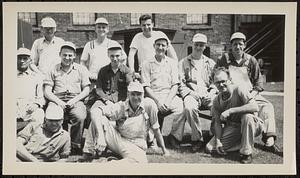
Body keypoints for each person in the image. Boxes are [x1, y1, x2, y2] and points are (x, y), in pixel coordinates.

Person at [216, 32, 280, 153]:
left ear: (244, 45)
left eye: (240, 44)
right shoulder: (224, 59)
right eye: (235, 44)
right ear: (231, 45)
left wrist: (253, 94)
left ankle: (269, 140)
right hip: (232, 95)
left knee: (267, 106)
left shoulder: (251, 60)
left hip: (250, 94)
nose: (238, 47)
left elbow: (258, 82)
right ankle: (225, 136)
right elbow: (217, 76)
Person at [82, 81, 169, 163]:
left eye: (139, 94)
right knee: (99, 118)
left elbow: (156, 128)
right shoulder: (121, 106)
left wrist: (164, 150)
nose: (136, 97)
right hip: (120, 140)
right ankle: (88, 154)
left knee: (141, 161)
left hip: (137, 145)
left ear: (143, 95)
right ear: (128, 94)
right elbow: (95, 111)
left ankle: (107, 162)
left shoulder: (149, 105)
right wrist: (101, 136)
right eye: (133, 94)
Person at [206, 67, 264, 164]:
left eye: (223, 81)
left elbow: (254, 106)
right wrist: (218, 140)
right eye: (217, 82)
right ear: (214, 84)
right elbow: (217, 123)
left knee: (247, 117)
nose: (221, 84)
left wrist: (231, 110)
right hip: (234, 127)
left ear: (230, 80)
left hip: (252, 124)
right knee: (211, 149)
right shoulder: (216, 100)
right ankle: (243, 143)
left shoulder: (239, 89)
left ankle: (247, 153)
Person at [44, 41, 90, 154]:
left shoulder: (81, 69)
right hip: (56, 99)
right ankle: (59, 144)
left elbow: (87, 89)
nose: (67, 57)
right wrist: (58, 102)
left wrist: (75, 100)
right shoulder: (52, 69)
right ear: (60, 54)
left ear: (74, 55)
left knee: (80, 116)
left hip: (76, 99)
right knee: (53, 116)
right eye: (64, 55)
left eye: (70, 55)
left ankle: (74, 145)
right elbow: (47, 91)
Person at [141, 34, 185, 149]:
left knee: (181, 108)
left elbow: (175, 84)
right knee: (150, 107)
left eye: (163, 45)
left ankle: (174, 137)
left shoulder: (172, 63)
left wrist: (168, 101)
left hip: (169, 95)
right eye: (158, 45)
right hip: (153, 96)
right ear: (154, 46)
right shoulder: (146, 63)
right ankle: (152, 139)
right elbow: (146, 87)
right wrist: (158, 102)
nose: (160, 48)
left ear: (167, 47)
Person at [178, 33, 218, 152]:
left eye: (201, 45)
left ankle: (213, 134)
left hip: (207, 94)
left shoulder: (211, 63)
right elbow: (180, 83)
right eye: (196, 45)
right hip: (191, 94)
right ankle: (197, 139)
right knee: (189, 108)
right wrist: (191, 93)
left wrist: (211, 92)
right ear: (192, 44)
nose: (198, 47)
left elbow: (216, 81)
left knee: (218, 107)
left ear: (205, 46)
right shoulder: (183, 62)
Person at [128, 14, 178, 78]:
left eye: (148, 25)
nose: (146, 27)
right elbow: (131, 55)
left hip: (160, 69)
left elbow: (172, 53)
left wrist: (175, 68)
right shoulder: (137, 37)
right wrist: (132, 69)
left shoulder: (160, 34)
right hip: (144, 70)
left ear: (152, 24)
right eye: (143, 25)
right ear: (140, 26)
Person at [80, 17, 127, 83]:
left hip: (111, 80)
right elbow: (82, 62)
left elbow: (124, 58)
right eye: (99, 27)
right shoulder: (89, 45)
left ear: (107, 29)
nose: (101, 29)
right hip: (94, 80)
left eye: (103, 27)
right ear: (95, 29)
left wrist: (118, 72)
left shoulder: (114, 44)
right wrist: (88, 74)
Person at [90, 42, 133, 109]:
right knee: (94, 110)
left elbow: (130, 89)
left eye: (117, 56)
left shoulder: (127, 71)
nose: (115, 59)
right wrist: (106, 101)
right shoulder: (103, 71)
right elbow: (99, 89)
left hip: (122, 101)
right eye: (112, 56)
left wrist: (124, 103)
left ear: (121, 55)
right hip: (104, 101)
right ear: (108, 55)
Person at [16, 47, 45, 132]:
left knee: (39, 113)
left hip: (29, 110)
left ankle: (30, 140)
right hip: (14, 109)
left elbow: (40, 97)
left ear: (30, 61)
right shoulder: (9, 75)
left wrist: (36, 105)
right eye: (19, 58)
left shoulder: (36, 77)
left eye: (25, 58)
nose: (22, 61)